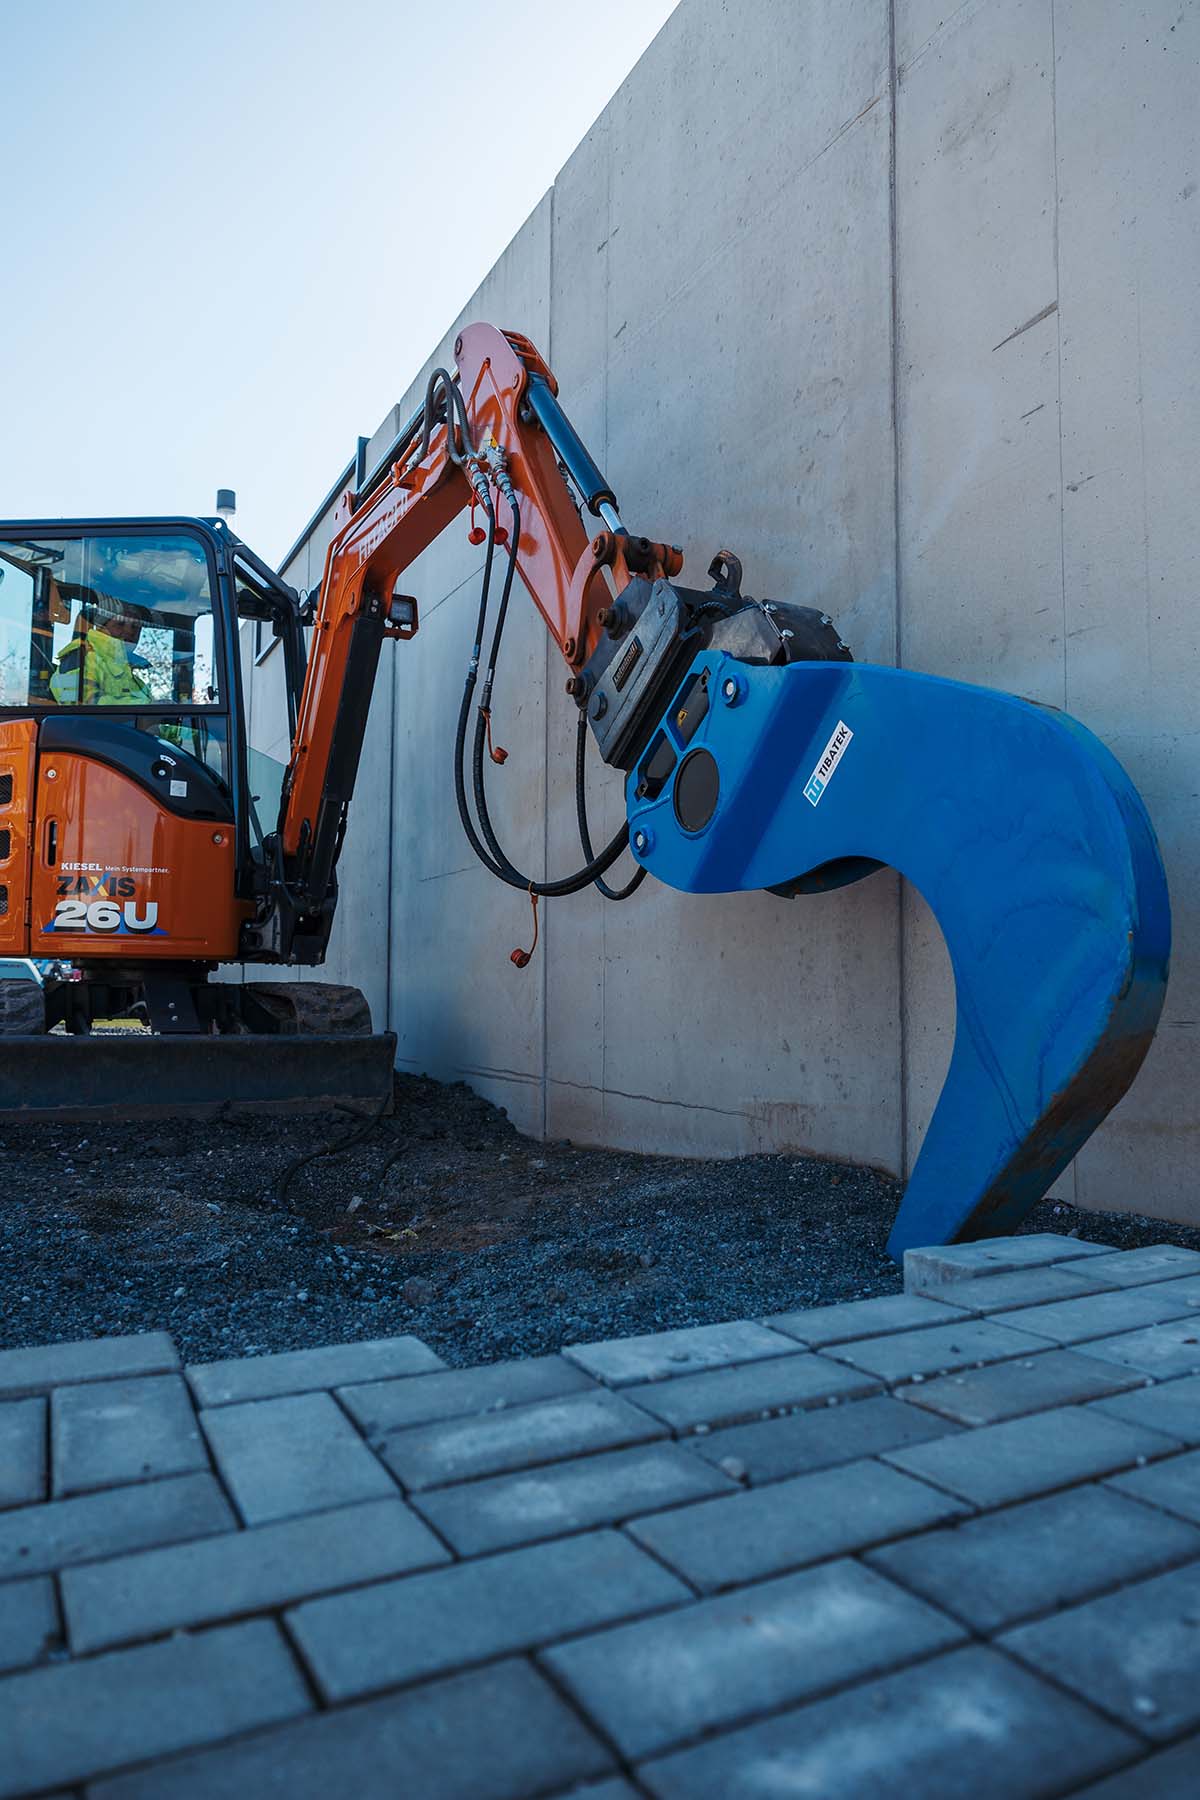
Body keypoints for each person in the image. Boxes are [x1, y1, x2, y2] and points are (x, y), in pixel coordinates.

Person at [50, 598, 155, 705]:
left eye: (135, 626)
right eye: (120, 624)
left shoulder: (132, 668)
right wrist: (146, 705)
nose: (130, 631)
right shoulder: (80, 656)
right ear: (101, 626)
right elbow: (79, 703)